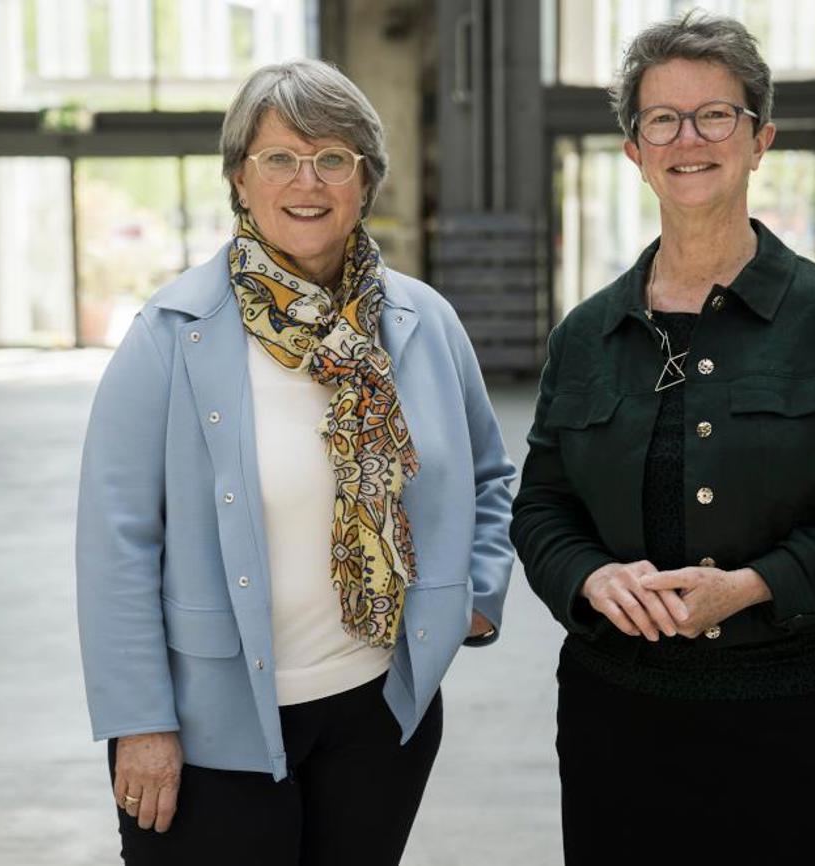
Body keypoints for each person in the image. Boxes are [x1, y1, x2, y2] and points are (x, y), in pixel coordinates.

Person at [510, 12, 815, 865]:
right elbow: (542, 507)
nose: (687, 138)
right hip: (617, 718)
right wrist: (589, 577)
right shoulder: (587, 334)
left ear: (759, 137)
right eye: (662, 118)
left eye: (715, 115)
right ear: (634, 148)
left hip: (802, 718)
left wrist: (754, 586)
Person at [76, 58, 516, 865]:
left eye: (332, 159)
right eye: (279, 157)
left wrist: (473, 598)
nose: (305, 181)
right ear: (240, 180)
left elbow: (490, 475)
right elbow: (118, 541)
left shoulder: (424, 321)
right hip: (213, 726)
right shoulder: (172, 335)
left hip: (381, 710)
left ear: (364, 180)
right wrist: (140, 721)